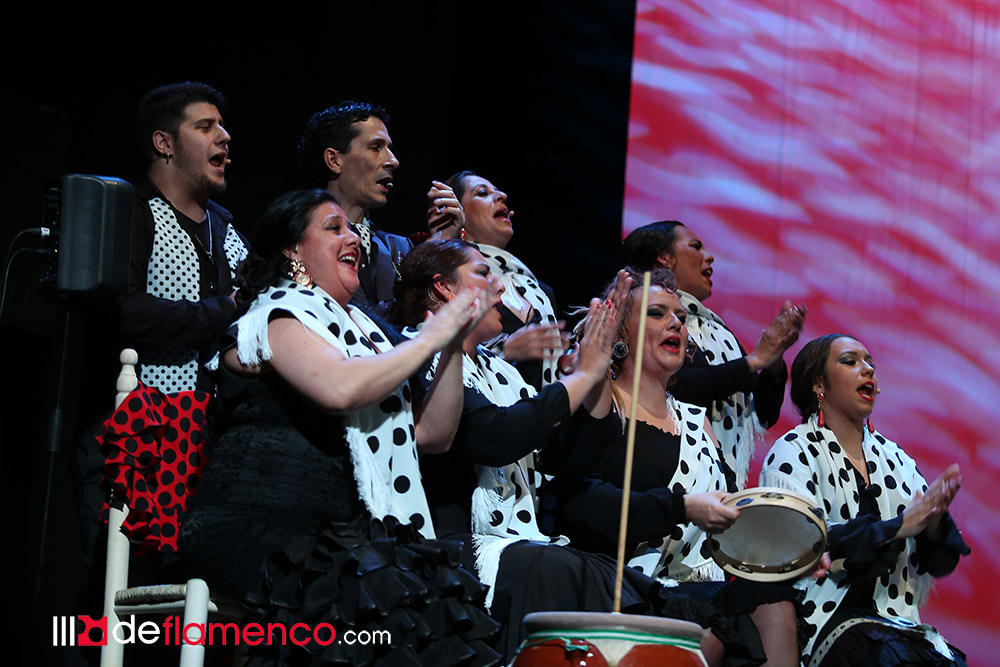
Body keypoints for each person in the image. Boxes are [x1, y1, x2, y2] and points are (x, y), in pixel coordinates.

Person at [179, 190, 501, 666]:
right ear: (292, 249)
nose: (352, 238)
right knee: (372, 591)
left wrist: (453, 342)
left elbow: (434, 435)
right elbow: (340, 389)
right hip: (254, 528)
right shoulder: (275, 315)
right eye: (334, 228)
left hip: (340, 535)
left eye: (351, 230)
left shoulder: (369, 336)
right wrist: (434, 333)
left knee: (436, 600)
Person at [542, 267, 806, 667]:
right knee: (709, 627)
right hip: (621, 584)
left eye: (680, 317)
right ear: (618, 331)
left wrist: (790, 546)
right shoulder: (599, 403)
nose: (676, 324)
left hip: (701, 588)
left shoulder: (697, 420)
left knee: (773, 599)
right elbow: (575, 503)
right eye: (657, 313)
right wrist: (681, 508)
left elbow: (735, 511)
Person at [760, 334, 969, 667]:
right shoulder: (792, 451)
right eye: (850, 361)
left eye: (870, 362)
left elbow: (941, 564)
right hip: (822, 619)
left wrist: (933, 524)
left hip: (895, 622)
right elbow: (799, 543)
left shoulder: (896, 459)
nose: (868, 369)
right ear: (819, 384)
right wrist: (899, 526)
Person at [620, 221, 804, 488]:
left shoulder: (717, 330)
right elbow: (672, 388)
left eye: (679, 316)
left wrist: (773, 359)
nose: (709, 256)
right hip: (666, 470)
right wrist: (754, 361)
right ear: (665, 259)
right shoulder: (638, 320)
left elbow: (763, 414)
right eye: (696, 246)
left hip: (721, 480)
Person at [124, 80, 249, 393]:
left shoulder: (229, 232)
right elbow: (124, 311)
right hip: (144, 414)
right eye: (205, 127)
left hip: (218, 417)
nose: (224, 136)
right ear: (164, 143)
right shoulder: (132, 213)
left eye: (221, 125)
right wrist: (225, 309)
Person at [430, 170, 566, 390]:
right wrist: (505, 351)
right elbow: (433, 345)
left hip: (541, 408)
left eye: (499, 192)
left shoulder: (541, 291)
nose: (502, 196)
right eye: (482, 193)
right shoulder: (453, 276)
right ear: (458, 214)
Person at [298, 101, 421, 309]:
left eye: (389, 149)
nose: (393, 161)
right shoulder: (300, 239)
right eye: (376, 148)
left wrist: (442, 243)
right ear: (334, 160)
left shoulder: (399, 248)